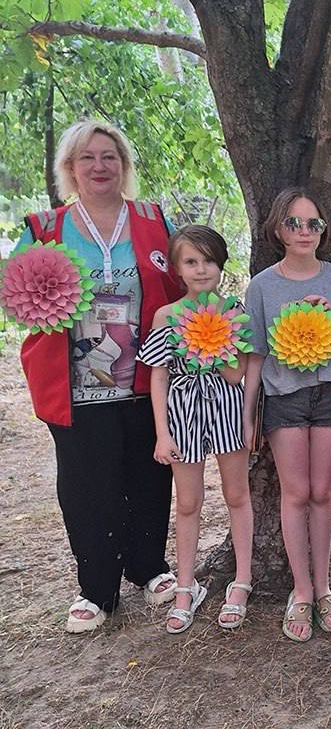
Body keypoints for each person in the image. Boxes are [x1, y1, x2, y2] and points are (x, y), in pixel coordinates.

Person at [15, 119, 184, 632]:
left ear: (124, 165)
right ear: (70, 168)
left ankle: (149, 567)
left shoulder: (154, 220)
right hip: (74, 384)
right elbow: (21, 300)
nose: (99, 166)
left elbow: (182, 285)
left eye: (109, 156)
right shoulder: (45, 228)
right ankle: (95, 587)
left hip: (144, 378)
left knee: (150, 472)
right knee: (88, 483)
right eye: (87, 157)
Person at [243, 187, 331, 642]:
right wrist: (249, 414)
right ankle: (302, 591)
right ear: (278, 228)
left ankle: (326, 588)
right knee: (295, 493)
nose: (305, 231)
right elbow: (254, 356)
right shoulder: (262, 286)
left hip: (330, 393)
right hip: (284, 398)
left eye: (314, 224)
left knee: (320, 492)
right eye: (294, 223)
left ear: (324, 231)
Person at [136, 225, 253, 633]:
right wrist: (161, 432)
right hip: (182, 415)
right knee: (188, 502)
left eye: (208, 261)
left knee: (237, 495)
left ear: (220, 265)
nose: (201, 269)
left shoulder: (235, 310)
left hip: (226, 410)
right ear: (177, 268)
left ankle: (241, 581)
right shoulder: (165, 316)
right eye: (191, 261)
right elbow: (158, 376)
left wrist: (213, 345)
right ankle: (186, 586)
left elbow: (238, 373)